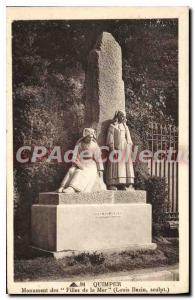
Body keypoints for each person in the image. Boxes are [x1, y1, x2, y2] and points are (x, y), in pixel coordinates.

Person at [58, 128, 106, 193]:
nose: (91, 139)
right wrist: (78, 164)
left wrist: (100, 170)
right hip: (80, 162)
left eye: (92, 137)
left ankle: (72, 187)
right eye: (89, 137)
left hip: (91, 165)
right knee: (71, 170)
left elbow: (98, 159)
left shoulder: (94, 145)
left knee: (81, 172)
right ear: (85, 137)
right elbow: (75, 156)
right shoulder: (79, 144)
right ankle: (63, 186)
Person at [106, 110, 135, 190]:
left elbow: (128, 138)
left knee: (124, 166)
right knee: (115, 165)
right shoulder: (112, 126)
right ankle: (112, 183)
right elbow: (110, 138)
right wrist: (112, 148)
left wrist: (129, 146)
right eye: (121, 116)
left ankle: (124, 183)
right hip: (116, 148)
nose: (123, 117)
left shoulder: (125, 127)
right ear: (118, 116)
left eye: (124, 116)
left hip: (124, 147)